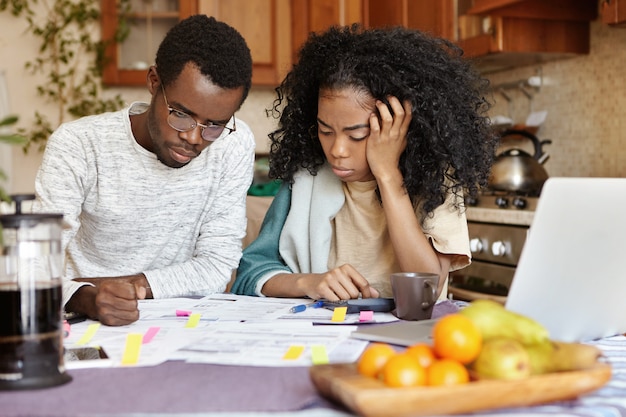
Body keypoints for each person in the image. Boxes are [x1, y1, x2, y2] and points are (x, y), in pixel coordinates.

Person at [231, 24, 498, 301]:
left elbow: (424, 292)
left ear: (400, 126)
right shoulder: (306, 178)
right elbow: (249, 274)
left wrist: (388, 175)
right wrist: (308, 283)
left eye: (356, 135)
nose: (337, 150)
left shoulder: (436, 182)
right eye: (325, 131)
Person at [33, 15, 255, 326]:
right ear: (153, 82)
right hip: (81, 324)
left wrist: (128, 288)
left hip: (180, 325)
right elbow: (36, 267)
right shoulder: (79, 146)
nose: (193, 137)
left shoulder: (234, 143)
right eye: (181, 114)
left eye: (214, 125)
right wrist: (86, 298)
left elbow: (218, 267)